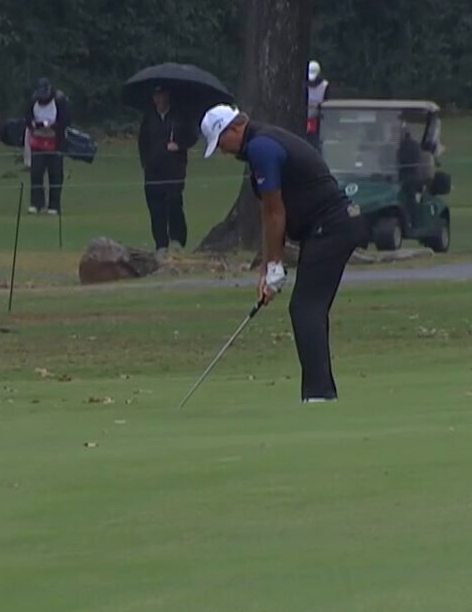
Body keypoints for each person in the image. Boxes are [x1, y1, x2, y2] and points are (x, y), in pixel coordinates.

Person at [200, 104, 363, 403]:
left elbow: (275, 212)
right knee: (308, 307)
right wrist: (267, 268)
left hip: (331, 226)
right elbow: (268, 213)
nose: (222, 151)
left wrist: (275, 265)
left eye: (220, 142)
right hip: (325, 228)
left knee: (305, 307)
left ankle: (319, 395)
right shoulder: (260, 144)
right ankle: (321, 392)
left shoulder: (261, 147)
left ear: (233, 128)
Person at [138, 86, 198, 254]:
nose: (158, 99)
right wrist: (145, 163)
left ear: (167, 96)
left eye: (161, 95)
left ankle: (177, 239)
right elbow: (143, 141)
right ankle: (161, 244)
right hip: (153, 170)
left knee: (173, 202)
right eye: (155, 95)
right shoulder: (149, 117)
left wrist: (179, 145)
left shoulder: (178, 116)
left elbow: (192, 137)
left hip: (174, 168)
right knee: (155, 206)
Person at [25, 77, 70, 214]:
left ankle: (54, 205)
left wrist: (52, 126)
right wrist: (34, 124)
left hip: (55, 142)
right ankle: (36, 203)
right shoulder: (33, 100)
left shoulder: (59, 100)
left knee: (55, 174)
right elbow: (28, 118)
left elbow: (66, 120)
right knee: (36, 172)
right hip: (38, 141)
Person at [305, 60, 331, 147]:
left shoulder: (324, 86)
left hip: (318, 120)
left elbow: (327, 103)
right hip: (304, 118)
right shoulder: (302, 84)